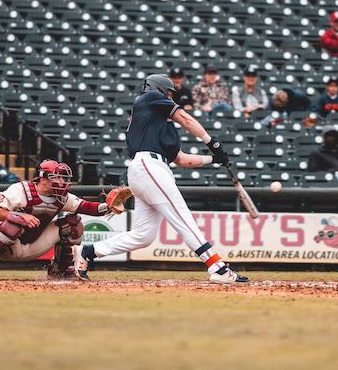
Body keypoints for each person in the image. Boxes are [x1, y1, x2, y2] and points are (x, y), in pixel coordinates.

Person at [73, 74, 249, 284]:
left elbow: (181, 159)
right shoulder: (148, 98)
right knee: (182, 217)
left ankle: (89, 251)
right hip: (149, 166)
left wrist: (213, 159)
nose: (169, 98)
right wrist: (211, 142)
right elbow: (186, 118)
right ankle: (217, 268)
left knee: (143, 235)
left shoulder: (160, 125)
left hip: (151, 169)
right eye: (168, 93)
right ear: (157, 88)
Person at [0, 160, 123, 280]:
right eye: (57, 178)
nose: (62, 182)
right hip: (6, 246)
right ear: (43, 178)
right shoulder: (21, 190)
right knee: (13, 224)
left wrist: (108, 206)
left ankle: (60, 270)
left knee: (73, 225)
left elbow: (88, 207)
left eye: (64, 178)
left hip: (34, 245)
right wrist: (20, 216)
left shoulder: (61, 197)